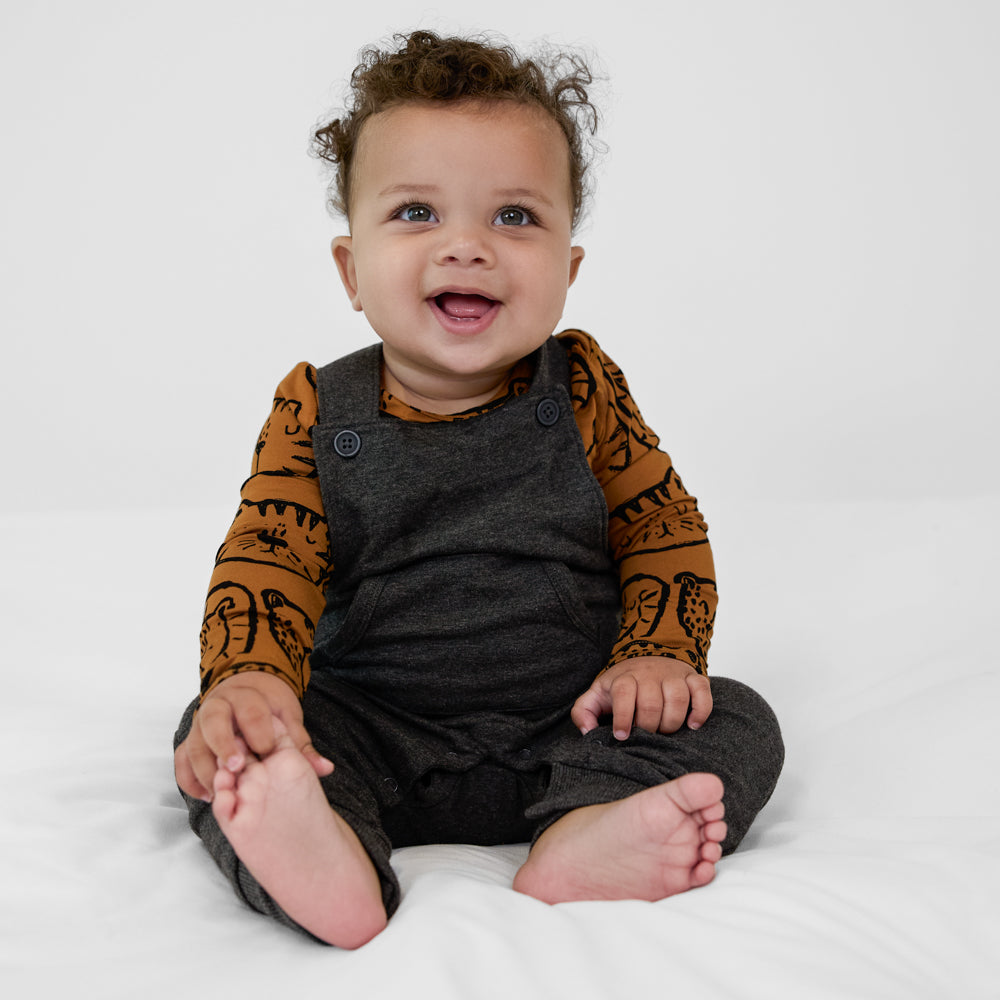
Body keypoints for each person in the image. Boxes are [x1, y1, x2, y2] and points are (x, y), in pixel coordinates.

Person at [173, 29, 784, 949]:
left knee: (738, 713)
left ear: (567, 273)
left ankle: (585, 835)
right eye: (417, 212)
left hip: (571, 720)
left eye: (514, 218)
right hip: (373, 732)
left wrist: (656, 655)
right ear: (351, 270)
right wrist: (251, 680)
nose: (466, 248)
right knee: (224, 740)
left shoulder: (582, 390)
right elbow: (270, 561)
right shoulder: (314, 408)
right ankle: (325, 854)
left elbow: (661, 527)